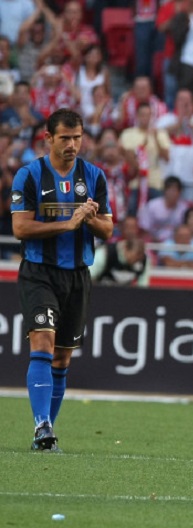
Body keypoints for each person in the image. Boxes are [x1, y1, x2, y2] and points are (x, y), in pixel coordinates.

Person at [10, 108, 113, 451]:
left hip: (77, 277)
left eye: (77, 138)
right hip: (39, 273)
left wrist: (88, 219)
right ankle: (41, 426)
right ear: (48, 138)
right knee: (42, 341)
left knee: (63, 358)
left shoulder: (95, 176)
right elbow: (20, 227)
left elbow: (108, 228)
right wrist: (68, 223)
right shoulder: (28, 176)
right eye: (65, 138)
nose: (72, 144)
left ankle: (46, 429)